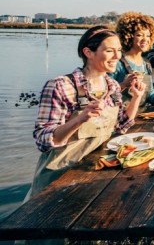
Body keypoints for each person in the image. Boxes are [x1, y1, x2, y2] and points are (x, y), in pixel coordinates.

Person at [31, 26, 145, 197]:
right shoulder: (60, 86)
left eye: (119, 50)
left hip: (93, 174)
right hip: (56, 181)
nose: (117, 56)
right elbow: (43, 140)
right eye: (109, 51)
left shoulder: (113, 86)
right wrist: (79, 119)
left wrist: (136, 98)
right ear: (88, 52)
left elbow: (120, 126)